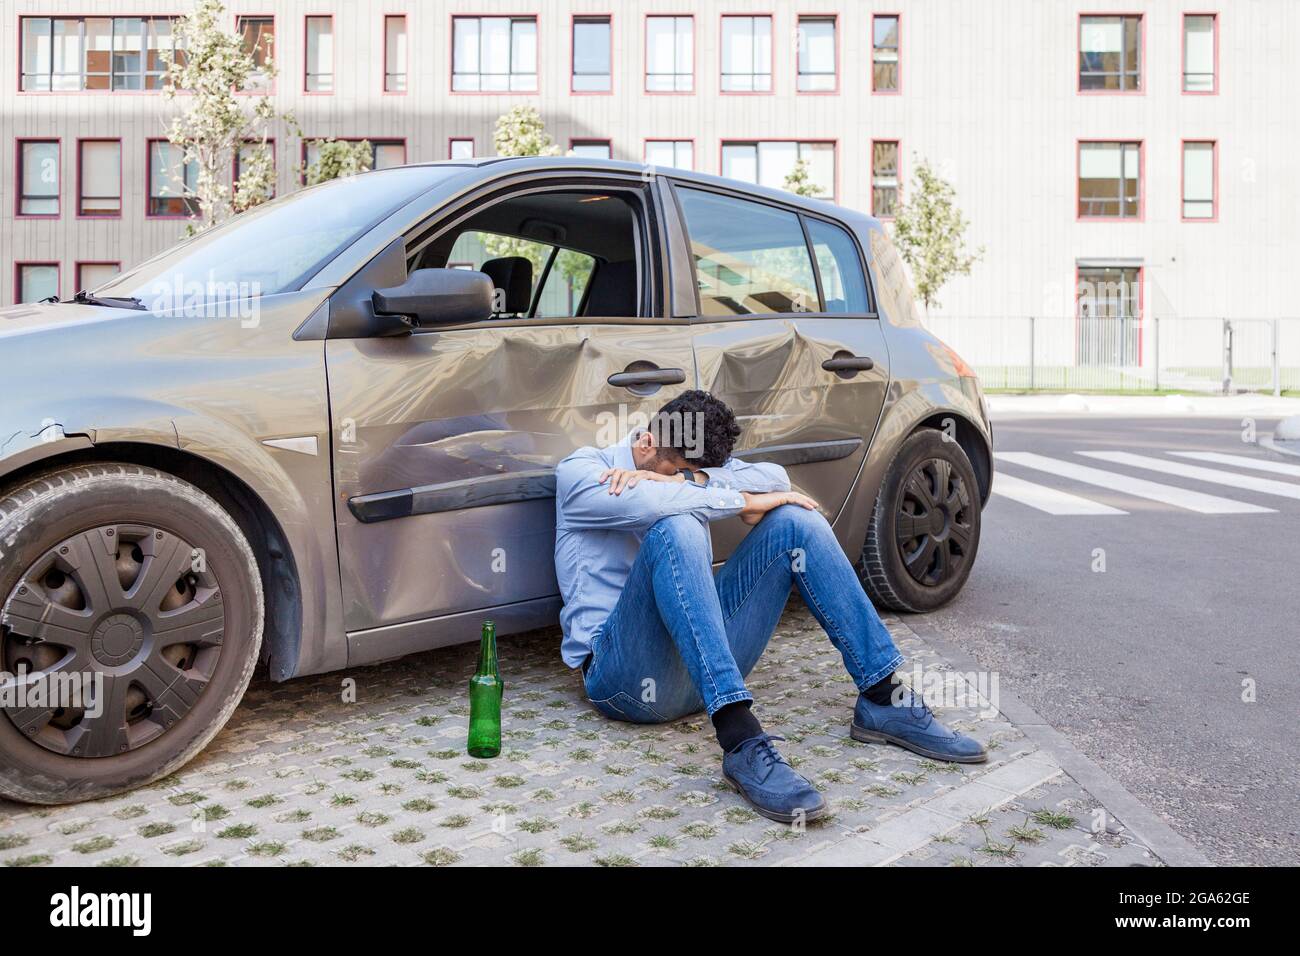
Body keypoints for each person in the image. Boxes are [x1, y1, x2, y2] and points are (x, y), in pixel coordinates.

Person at [553, 390, 986, 822]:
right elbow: (651, 502)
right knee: (677, 527)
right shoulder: (583, 471)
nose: (683, 480)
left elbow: (775, 477)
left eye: (694, 474)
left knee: (797, 519)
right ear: (647, 444)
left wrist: (689, 481)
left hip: (698, 665)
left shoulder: (685, 472)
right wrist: (741, 500)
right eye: (678, 471)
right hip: (626, 678)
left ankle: (883, 698)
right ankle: (740, 740)